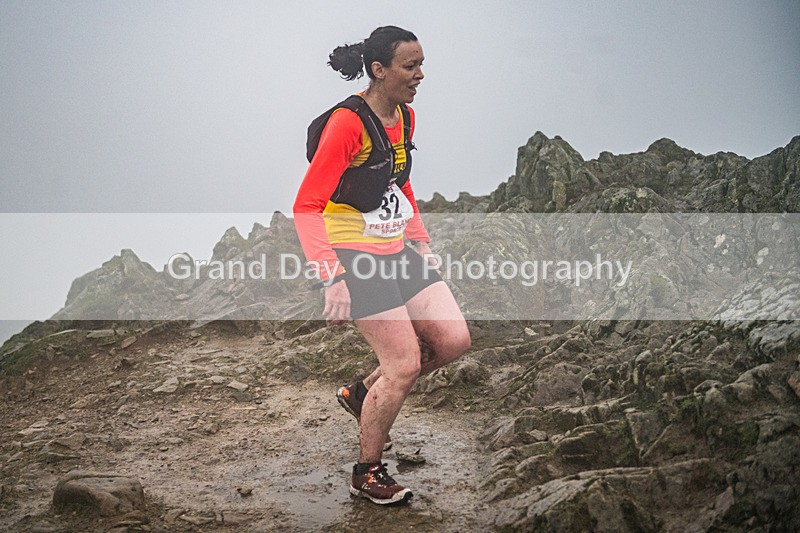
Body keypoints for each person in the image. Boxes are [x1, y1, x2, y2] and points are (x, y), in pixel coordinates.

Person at [293, 26, 471, 505]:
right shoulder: (348, 124)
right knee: (403, 365)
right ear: (379, 70)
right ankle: (367, 473)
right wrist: (332, 275)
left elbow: (399, 180)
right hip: (353, 254)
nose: (420, 75)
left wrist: (421, 241)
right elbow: (307, 206)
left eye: (421, 64)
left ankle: (359, 395)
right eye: (410, 66)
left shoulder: (405, 117)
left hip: (396, 247)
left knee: (453, 340)